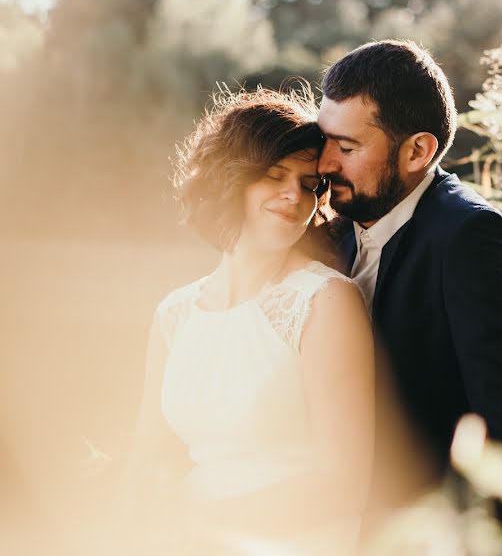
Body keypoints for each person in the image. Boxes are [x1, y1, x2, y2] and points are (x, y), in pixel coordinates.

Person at [317, 40, 502, 526]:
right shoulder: (331, 229)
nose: (325, 163)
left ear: (417, 151)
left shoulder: (469, 237)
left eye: (346, 147)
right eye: (323, 140)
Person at [118, 87, 374, 555]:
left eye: (309, 183)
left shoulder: (324, 301)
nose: (294, 195)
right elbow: (145, 460)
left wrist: (204, 521)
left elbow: (346, 485)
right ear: (231, 179)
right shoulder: (175, 314)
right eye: (274, 176)